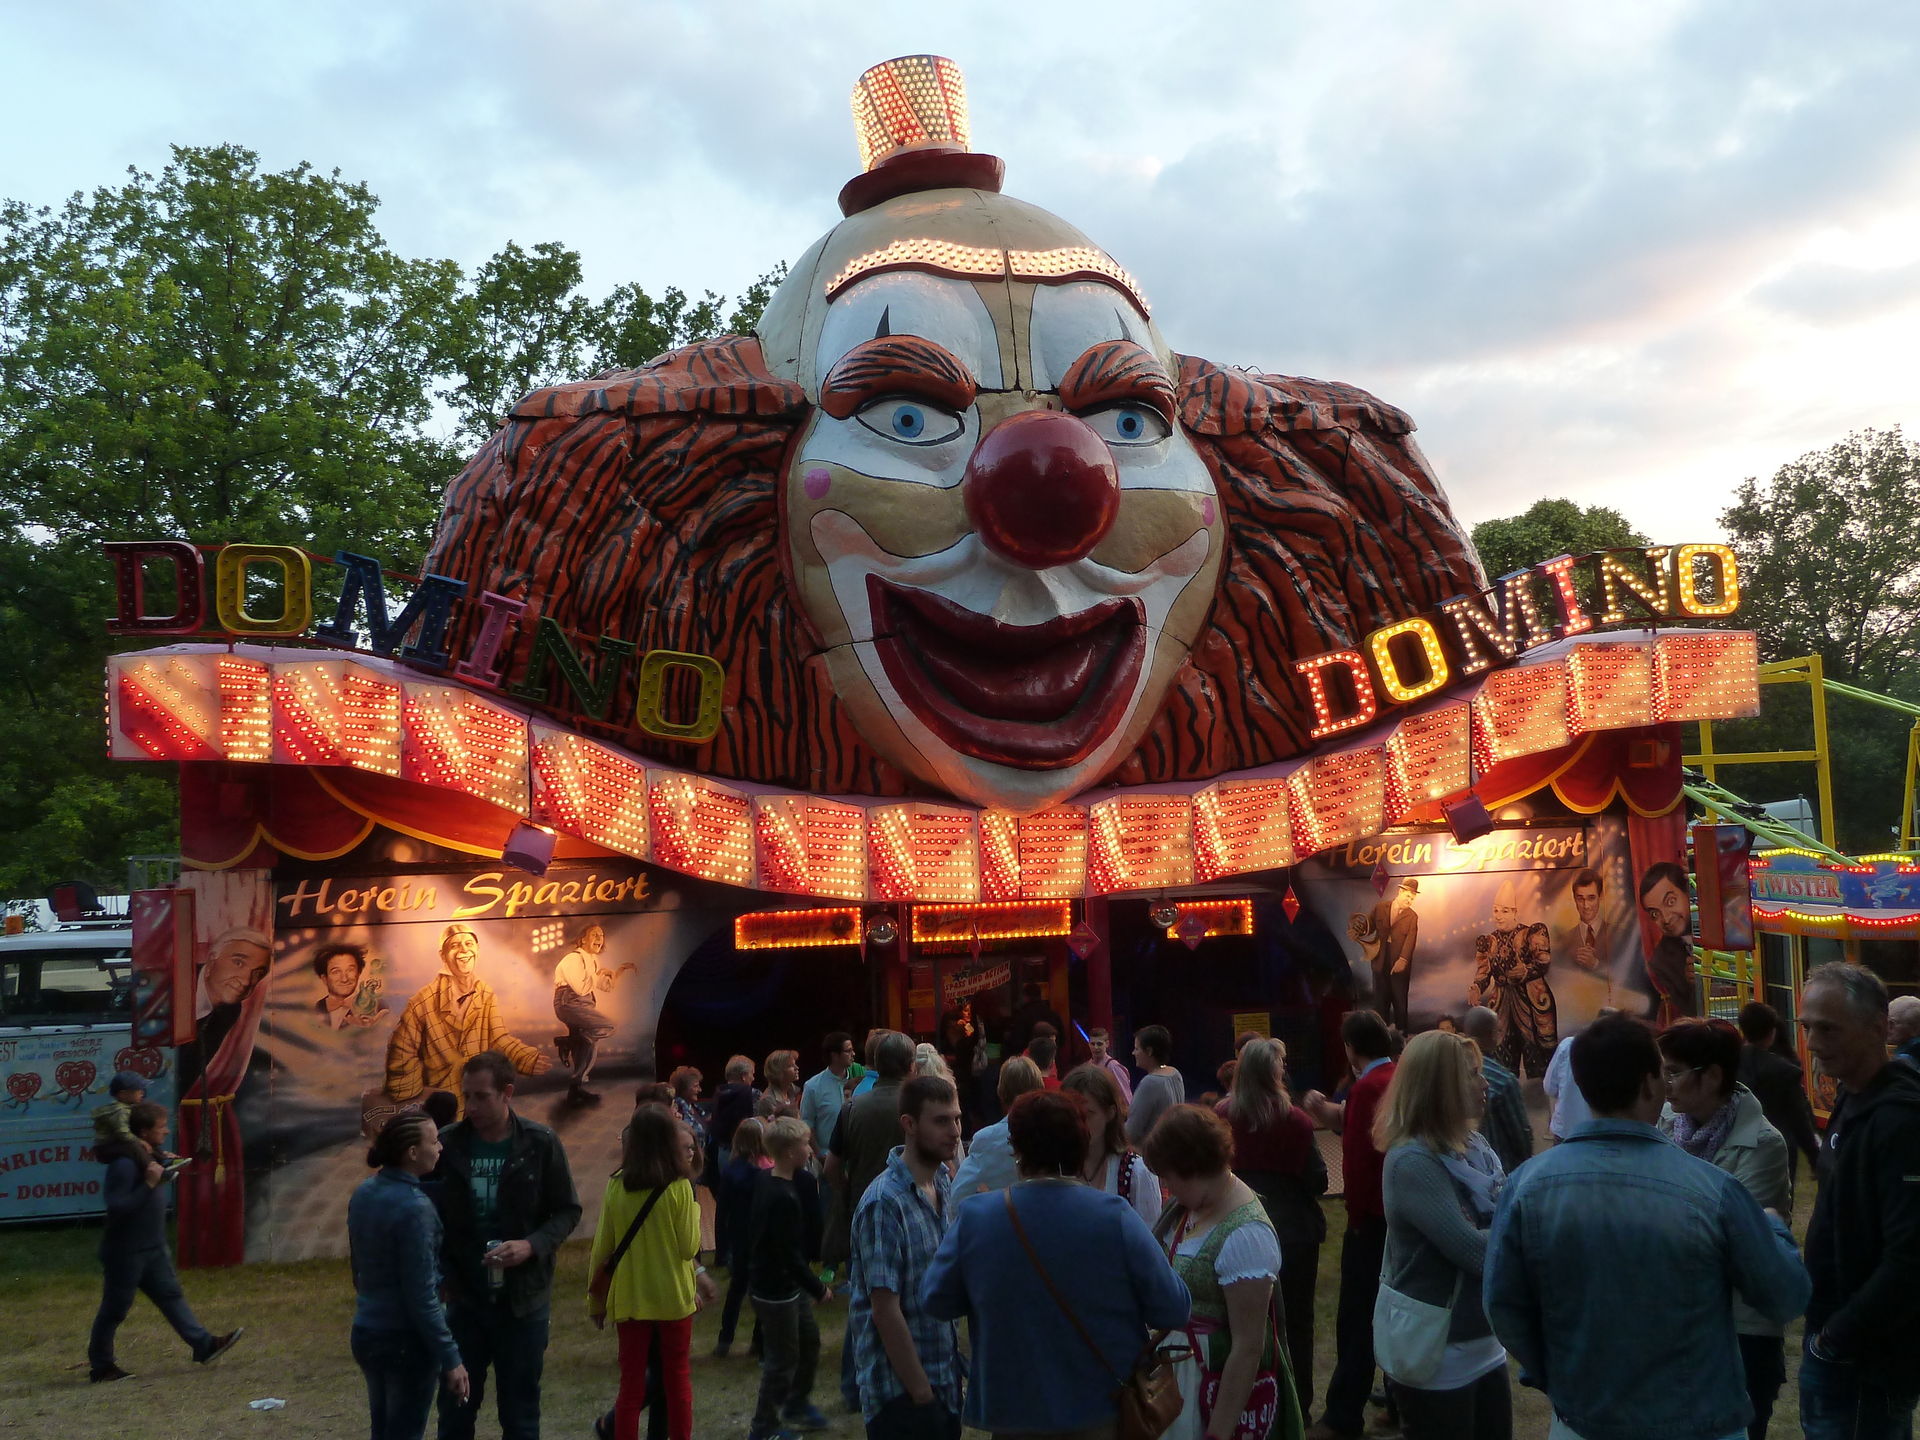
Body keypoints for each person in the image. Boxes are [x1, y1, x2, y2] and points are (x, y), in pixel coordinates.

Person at [1484, 1013, 1810, 1440]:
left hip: (1583, 1417)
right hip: (1696, 1420)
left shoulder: (1526, 1186)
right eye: (1664, 1071)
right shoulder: (1715, 1191)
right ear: (1649, 1084)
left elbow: (1503, 1304)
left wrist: (1555, 1372)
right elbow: (1786, 1294)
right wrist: (1774, 1228)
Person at [924, 1090, 1192, 1436]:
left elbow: (936, 1299)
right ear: (1081, 1144)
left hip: (1013, 1411)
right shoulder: (1113, 1217)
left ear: (1016, 1150)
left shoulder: (977, 1217)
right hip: (1102, 1407)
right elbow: (1174, 1307)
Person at [1797, 961, 1920, 1438]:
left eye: (1828, 1029)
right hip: (1836, 1340)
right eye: (1806, 1027)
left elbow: (1910, 1257)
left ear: (1878, 1028)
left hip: (1865, 1361)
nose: (1812, 1043)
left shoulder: (1901, 1120)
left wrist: (1837, 1337)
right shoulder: (1853, 1095)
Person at [432, 1050, 581, 1440]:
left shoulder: (540, 1142)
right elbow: (428, 1217)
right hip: (465, 1299)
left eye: (481, 1096)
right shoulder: (447, 1145)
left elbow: (567, 1211)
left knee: (520, 1414)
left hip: (523, 1301)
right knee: (455, 1412)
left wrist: (530, 1245)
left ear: (507, 1093)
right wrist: (440, 1274)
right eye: (466, 1095)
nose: (471, 1106)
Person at [1656, 1019, 1792, 1440]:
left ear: (1713, 1075)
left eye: (1674, 1072)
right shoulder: (1667, 1122)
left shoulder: (1763, 1144)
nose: (1664, 1083)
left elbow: (1734, 1241)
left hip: (1740, 1330)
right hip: (1676, 1320)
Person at [1373, 1031, 1510, 1440]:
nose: (1485, 1083)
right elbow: (1476, 1252)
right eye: (1472, 1074)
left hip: (1485, 1342)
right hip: (1439, 1354)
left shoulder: (1473, 1147)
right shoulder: (1413, 1161)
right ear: (1438, 1086)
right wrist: (1526, 1232)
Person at [1145, 1104, 1302, 1440]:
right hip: (1180, 1378)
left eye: (1168, 1176)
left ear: (1191, 1167)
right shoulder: (1190, 1207)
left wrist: (1217, 1433)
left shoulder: (1247, 1234)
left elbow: (1248, 1347)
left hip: (1214, 1388)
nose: (1166, 1186)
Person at [87, 1102, 242, 1383]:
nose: (167, 1131)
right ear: (144, 1131)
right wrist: (149, 1183)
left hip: (153, 1246)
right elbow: (118, 1206)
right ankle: (101, 1366)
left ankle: (203, 1345)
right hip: (126, 1250)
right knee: (115, 1309)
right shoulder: (124, 1164)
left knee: (171, 1296)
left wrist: (165, 1168)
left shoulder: (147, 1157)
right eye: (161, 1127)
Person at [850, 1074, 968, 1439]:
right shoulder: (884, 1203)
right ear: (909, 1124)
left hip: (943, 1381)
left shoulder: (943, 1182)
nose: (954, 1131)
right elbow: (885, 1310)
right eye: (941, 1121)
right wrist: (921, 1393)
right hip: (901, 1396)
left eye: (957, 1119)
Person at [1216, 1038, 1326, 1420]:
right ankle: (1299, 1406)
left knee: (1240, 1324)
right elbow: (1319, 1180)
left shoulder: (1223, 1115)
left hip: (1238, 1227)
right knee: (1297, 1322)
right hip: (1293, 1230)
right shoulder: (1296, 1121)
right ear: (1275, 1073)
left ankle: (1248, 1403)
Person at [589, 1105, 712, 1440]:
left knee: (630, 1389)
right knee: (677, 1381)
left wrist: (595, 1301)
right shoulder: (679, 1186)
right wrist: (694, 1206)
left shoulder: (617, 1184)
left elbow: (603, 1246)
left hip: (630, 1297)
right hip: (673, 1296)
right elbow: (688, 1247)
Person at [1299, 1010, 1395, 1440]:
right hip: (1396, 1219)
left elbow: (1357, 1164)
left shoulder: (1368, 1087)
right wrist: (1330, 1110)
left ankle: (1342, 1415)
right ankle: (1398, 1400)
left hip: (1371, 1222)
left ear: (1351, 1048)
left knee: (1357, 1319)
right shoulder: (1394, 1077)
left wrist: (1355, 1220)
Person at [348, 1113, 467, 1438]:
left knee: (384, 1429)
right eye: (434, 1141)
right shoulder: (415, 1208)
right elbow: (422, 1294)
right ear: (412, 1152)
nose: (440, 1147)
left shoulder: (364, 1193)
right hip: (405, 1339)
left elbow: (359, 1268)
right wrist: (451, 1358)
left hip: (367, 1330)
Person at [828, 1031, 918, 1411]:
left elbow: (831, 1167)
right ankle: (908, 1378)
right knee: (909, 1300)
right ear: (911, 1065)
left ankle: (854, 1386)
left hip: (862, 1213)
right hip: (910, 1210)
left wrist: (849, 1193)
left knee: (865, 1302)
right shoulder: (916, 1107)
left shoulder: (851, 1108)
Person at [386, 923, 552, 1104]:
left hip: (476, 1097)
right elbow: (402, 1050)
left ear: (477, 950)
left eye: (469, 944)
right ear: (443, 955)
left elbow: (498, 1038)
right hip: (442, 1101)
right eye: (455, 945)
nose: (464, 950)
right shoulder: (423, 1001)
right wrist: (411, 1097)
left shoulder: (485, 993)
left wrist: (525, 1059)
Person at [746, 1116, 832, 1439]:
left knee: (808, 1342)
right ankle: (764, 1427)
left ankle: (795, 1403)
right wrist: (818, 1288)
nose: (809, 1149)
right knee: (781, 1361)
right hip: (776, 1290)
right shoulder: (781, 1195)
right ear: (789, 1151)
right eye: (805, 1144)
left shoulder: (770, 1180)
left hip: (786, 1286)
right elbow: (787, 1254)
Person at [1467, 881, 1556, 1076]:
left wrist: (1525, 971)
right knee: (1502, 1060)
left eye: (1505, 911)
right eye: (1496, 910)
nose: (1498, 915)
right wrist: (1477, 986)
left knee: (1537, 1060)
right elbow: (1484, 971)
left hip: (1531, 1002)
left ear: (1515, 912)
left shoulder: (1530, 933)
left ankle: (1539, 1092)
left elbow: (1543, 962)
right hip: (1501, 1005)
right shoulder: (1489, 941)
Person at [1061, 1062, 1162, 1226]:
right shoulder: (1057, 1168)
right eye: (1071, 1114)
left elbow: (1151, 1236)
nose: (1078, 1124)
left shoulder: (1135, 1172)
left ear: (1110, 1113)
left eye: (1088, 1115)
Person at [1733, 1002, 1820, 1188]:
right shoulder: (1784, 1070)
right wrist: (1814, 1156)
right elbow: (1798, 1118)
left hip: (1738, 1144)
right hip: (1778, 1147)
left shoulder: (1729, 1063)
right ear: (1772, 1032)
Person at [552, 923, 635, 1105]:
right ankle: (567, 1042)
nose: (599, 938)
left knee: (588, 1046)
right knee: (608, 1026)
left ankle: (575, 1090)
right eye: (594, 934)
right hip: (569, 1003)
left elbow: (605, 987)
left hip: (584, 1003)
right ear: (582, 939)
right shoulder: (573, 959)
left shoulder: (592, 960)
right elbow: (581, 988)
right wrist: (597, 975)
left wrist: (617, 972)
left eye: (601, 935)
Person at [715, 1117, 774, 1358]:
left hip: (739, 1238)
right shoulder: (766, 1171)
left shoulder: (731, 1171)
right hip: (761, 1238)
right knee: (763, 1290)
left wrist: (722, 1247)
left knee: (736, 1290)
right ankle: (758, 1341)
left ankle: (725, 1339)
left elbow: (722, 1212)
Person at [950, 1055, 1045, 1197]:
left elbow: (958, 1195)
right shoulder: (1056, 1135)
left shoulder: (986, 1140)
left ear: (1000, 1092)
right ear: (1040, 1089)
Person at [1461, 1007, 1532, 1176]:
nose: (1484, 1083)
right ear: (1492, 1034)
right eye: (1498, 1031)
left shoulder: (1449, 1069)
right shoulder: (1503, 1080)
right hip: (1500, 1173)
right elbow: (1521, 1137)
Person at [1351, 877, 1419, 1032]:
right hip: (1379, 962)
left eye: (1412, 898)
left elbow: (1411, 940)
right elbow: (1368, 925)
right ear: (1400, 891)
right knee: (1380, 1004)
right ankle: (1380, 1036)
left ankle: (1402, 1038)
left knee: (1400, 1004)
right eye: (1408, 896)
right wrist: (1357, 931)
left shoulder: (1412, 916)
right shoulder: (1380, 907)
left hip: (1399, 968)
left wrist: (1403, 960)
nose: (1410, 900)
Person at [1127, 1024, 1185, 1143]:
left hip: (1153, 1150)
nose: (1133, 1053)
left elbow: (1131, 1132)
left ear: (1149, 1051)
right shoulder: (1175, 1073)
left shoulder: (1150, 1082)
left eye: (1137, 1049)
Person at [801, 1033, 856, 1154]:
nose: (853, 1054)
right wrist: (819, 1154)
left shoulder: (858, 1080)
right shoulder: (813, 1086)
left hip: (856, 1155)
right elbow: (807, 1123)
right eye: (848, 1051)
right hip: (827, 1154)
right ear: (834, 1055)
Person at [315, 942, 386, 1028]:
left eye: (350, 970)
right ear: (324, 978)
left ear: (358, 973)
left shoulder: (378, 1006)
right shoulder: (315, 1009)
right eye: (336, 972)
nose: (344, 979)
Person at [710, 1054, 762, 1172]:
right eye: (752, 1074)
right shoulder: (753, 1093)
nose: (753, 1078)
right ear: (743, 1076)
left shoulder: (718, 1093)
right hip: (747, 1154)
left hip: (722, 1153)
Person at [1004, 981, 1066, 1060]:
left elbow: (1017, 1042)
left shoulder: (1022, 1016)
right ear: (1040, 996)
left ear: (1026, 997)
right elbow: (1062, 1040)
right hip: (1050, 1060)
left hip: (1029, 1061)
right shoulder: (1053, 1014)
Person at [1087, 1026, 1133, 1102]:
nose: (1096, 1047)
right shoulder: (1087, 1066)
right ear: (1089, 1044)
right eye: (1093, 1044)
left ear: (1107, 1044)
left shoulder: (1113, 1067)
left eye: (1099, 1044)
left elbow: (1126, 1098)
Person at [667, 1066, 707, 1152]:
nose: (700, 1090)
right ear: (683, 1089)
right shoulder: (676, 1111)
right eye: (696, 1086)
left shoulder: (695, 1108)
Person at [763, 1049, 803, 1118]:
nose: (797, 1067)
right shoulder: (767, 1101)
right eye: (790, 1065)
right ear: (778, 1071)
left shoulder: (797, 1093)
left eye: (795, 1064)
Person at [1888, 993, 1920, 1066]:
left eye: (1892, 1023)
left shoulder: (1904, 1060)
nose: (1887, 1027)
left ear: (1915, 1029)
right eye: (1887, 1022)